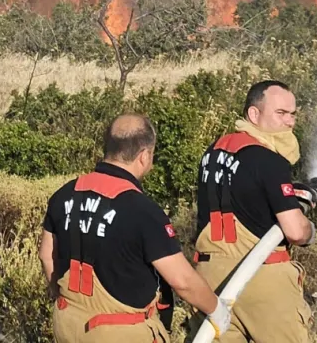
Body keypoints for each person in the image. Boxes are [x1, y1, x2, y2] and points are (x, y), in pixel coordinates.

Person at [40, 113, 232, 342]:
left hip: (67, 323)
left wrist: (65, 299)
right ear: (144, 156)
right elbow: (182, 282)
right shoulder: (143, 211)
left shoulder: (63, 194)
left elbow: (46, 255)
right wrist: (217, 310)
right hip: (118, 332)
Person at [189, 80, 317, 343]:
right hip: (261, 275)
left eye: (292, 114)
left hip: (209, 278)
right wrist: (310, 231)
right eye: (280, 113)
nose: (289, 122)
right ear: (254, 114)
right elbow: (294, 231)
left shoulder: (212, 153)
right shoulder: (269, 159)